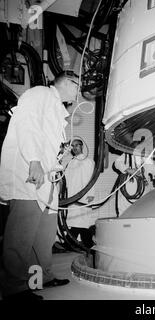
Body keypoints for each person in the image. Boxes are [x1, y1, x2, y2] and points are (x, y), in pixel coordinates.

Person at [0, 70, 78, 300]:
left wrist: (63, 156)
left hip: (47, 181)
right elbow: (28, 126)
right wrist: (34, 160)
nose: (79, 92)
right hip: (29, 173)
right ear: (67, 82)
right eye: (77, 86)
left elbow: (49, 144)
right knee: (22, 233)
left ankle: (40, 278)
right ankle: (15, 288)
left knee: (43, 235)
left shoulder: (57, 109)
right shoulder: (39, 94)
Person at [64, 139, 95, 248]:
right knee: (74, 220)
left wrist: (91, 194)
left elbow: (92, 179)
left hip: (84, 196)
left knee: (83, 220)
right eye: (72, 146)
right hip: (72, 196)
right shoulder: (71, 162)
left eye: (77, 145)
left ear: (82, 146)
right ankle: (75, 243)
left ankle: (86, 244)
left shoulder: (88, 161)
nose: (75, 147)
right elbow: (66, 179)